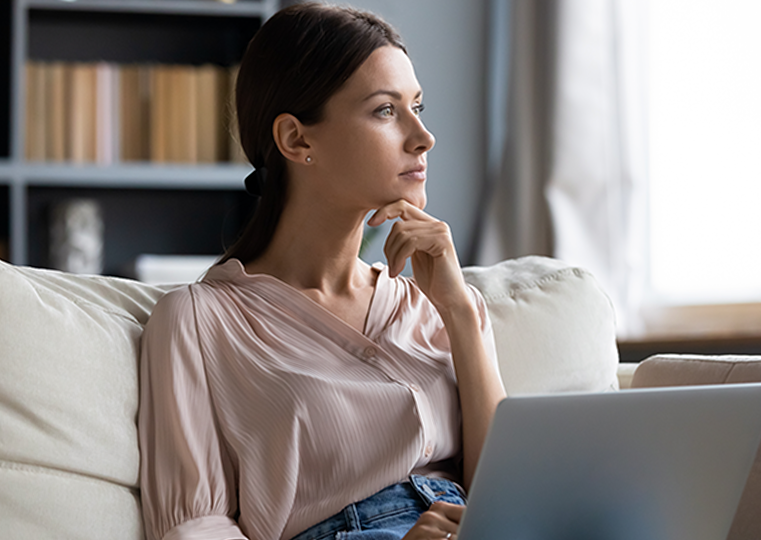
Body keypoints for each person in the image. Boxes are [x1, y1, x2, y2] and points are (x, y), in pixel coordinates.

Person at [137, 4, 507, 540]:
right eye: (386, 111)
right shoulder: (199, 321)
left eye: (418, 107)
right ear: (296, 140)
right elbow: (195, 526)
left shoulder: (438, 303)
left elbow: (510, 494)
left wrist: (460, 314)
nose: (423, 137)